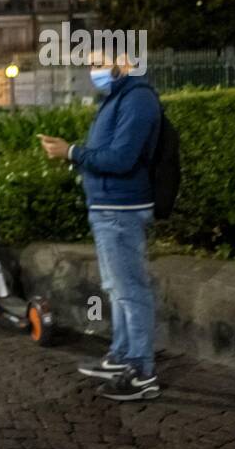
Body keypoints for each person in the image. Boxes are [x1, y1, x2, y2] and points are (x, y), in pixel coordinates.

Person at [39, 59, 162, 401]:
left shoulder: (137, 98)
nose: (93, 69)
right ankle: (122, 357)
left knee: (130, 289)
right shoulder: (117, 97)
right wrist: (73, 153)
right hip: (108, 207)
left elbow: (121, 159)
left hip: (121, 209)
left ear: (126, 62)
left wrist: (72, 152)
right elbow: (108, 153)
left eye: (99, 62)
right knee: (117, 288)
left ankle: (142, 372)